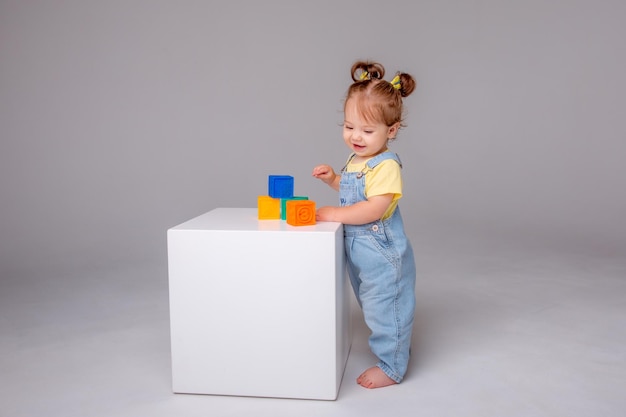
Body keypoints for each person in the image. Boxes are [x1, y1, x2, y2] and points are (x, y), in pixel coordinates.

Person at [312, 61, 417, 389]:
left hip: (381, 252)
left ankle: (392, 366)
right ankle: (391, 350)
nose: (356, 136)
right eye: (349, 126)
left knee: (386, 307)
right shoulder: (358, 160)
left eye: (367, 131)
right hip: (360, 250)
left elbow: (374, 207)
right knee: (370, 304)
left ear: (392, 130)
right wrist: (334, 180)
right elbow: (355, 190)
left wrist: (333, 214)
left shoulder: (386, 164)